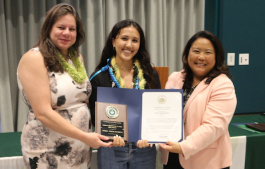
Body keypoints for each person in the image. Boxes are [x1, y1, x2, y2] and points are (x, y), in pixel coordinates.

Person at [17, 3, 112, 169]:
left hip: (80, 147)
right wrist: (84, 136)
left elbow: (83, 99)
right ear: (48, 28)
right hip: (49, 148)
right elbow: (43, 112)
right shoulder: (35, 58)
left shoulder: (76, 58)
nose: (66, 33)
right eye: (61, 27)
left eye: (72, 29)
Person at [89, 19, 161, 169]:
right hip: (111, 147)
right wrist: (109, 136)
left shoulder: (150, 75)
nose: (129, 45)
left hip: (144, 147)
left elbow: (156, 113)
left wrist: (151, 135)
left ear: (140, 45)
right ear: (113, 42)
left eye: (135, 40)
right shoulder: (99, 77)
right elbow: (95, 118)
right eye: (124, 38)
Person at [159, 30, 237, 169]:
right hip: (172, 157)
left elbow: (214, 126)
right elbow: (163, 114)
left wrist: (184, 146)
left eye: (208, 52)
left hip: (206, 161)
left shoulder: (222, 84)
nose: (201, 57)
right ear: (187, 53)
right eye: (196, 51)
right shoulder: (175, 78)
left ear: (216, 57)